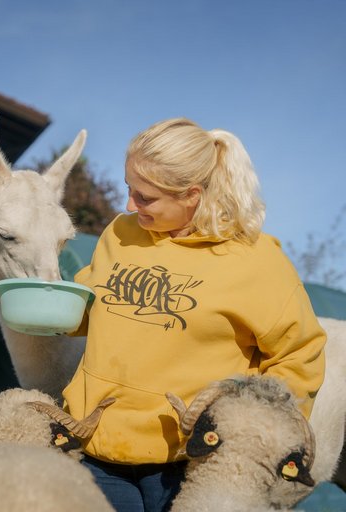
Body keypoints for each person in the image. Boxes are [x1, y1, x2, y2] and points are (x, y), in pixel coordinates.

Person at [63, 117, 326, 512]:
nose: (129, 205)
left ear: (192, 195)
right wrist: (48, 304)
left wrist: (254, 433)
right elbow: (89, 307)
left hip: (193, 463)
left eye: (145, 198)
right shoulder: (120, 232)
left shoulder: (257, 261)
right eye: (128, 189)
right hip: (96, 452)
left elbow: (299, 356)